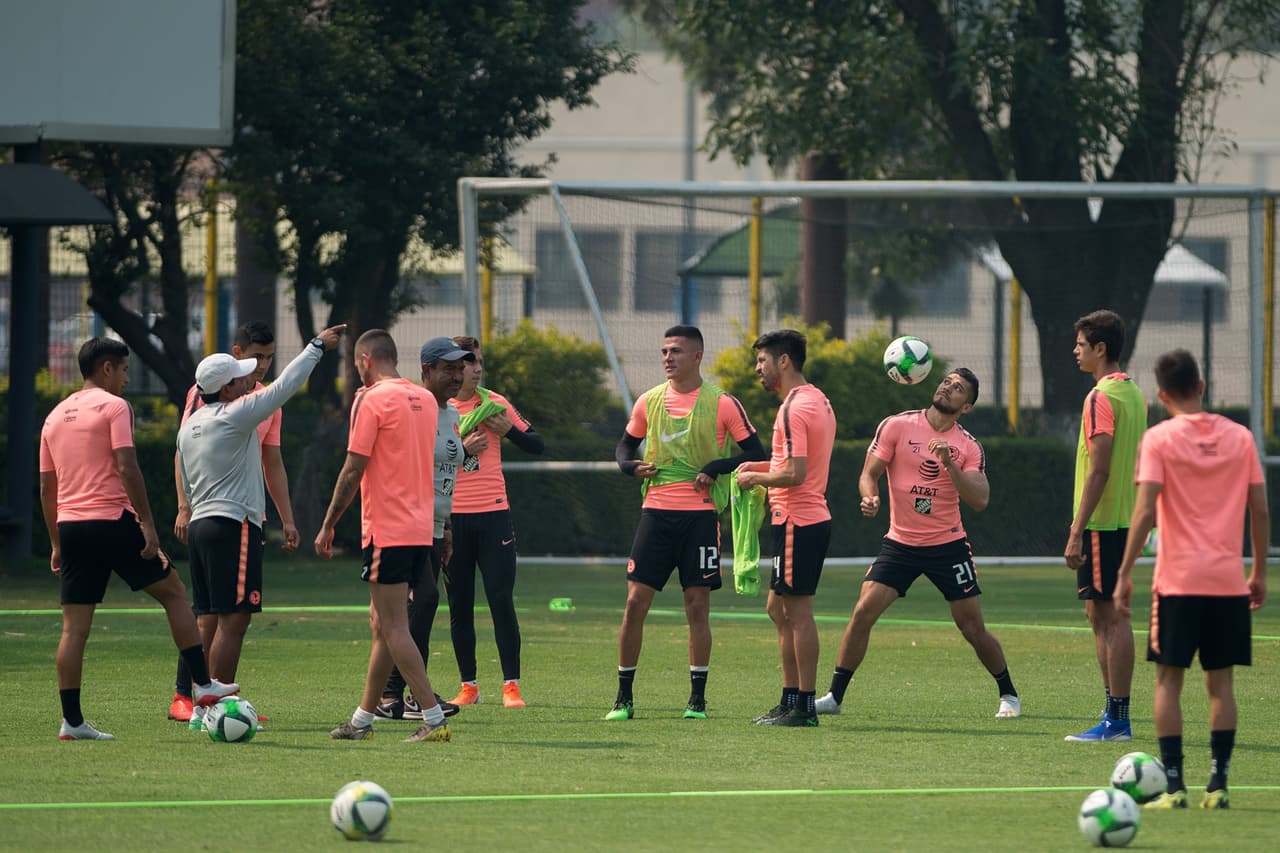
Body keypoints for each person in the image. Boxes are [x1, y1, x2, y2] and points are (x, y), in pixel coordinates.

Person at [39, 337, 239, 740]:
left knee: (73, 630)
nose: (127, 379)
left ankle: (72, 722)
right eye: (125, 370)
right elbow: (127, 467)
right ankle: (203, 685)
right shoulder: (114, 407)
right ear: (107, 369)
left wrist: (56, 542)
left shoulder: (54, 416)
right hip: (112, 520)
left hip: (72, 527)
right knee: (175, 593)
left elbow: (47, 487)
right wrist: (147, 523)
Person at [814, 368, 1021, 723]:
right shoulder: (897, 425)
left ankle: (1008, 693)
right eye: (946, 382)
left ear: (967, 407)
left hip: (948, 546)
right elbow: (869, 474)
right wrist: (870, 497)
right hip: (900, 544)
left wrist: (949, 464)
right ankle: (834, 696)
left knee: (971, 628)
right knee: (863, 612)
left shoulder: (968, 446)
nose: (948, 388)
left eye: (958, 388)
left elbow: (980, 500)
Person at [1114, 349, 1268, 810]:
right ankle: (1218, 785)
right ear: (1201, 387)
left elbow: (1145, 510)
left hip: (1178, 583)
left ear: (1162, 396)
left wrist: (1124, 573)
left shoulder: (1159, 439)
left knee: (1168, 682)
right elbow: (1260, 509)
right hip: (1227, 583)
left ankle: (1175, 787)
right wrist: (1258, 571)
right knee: (1221, 686)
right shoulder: (1240, 437)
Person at [177, 324, 345, 731]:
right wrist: (316, 346)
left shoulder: (188, 428)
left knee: (212, 615)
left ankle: (201, 704)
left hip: (200, 527)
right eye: (240, 377)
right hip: (232, 525)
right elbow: (286, 385)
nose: (249, 379)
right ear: (227, 388)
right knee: (235, 620)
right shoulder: (236, 415)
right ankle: (216, 706)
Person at [608, 325, 766, 721]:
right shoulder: (648, 401)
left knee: (697, 606)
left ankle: (697, 700)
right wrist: (629, 466)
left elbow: (756, 453)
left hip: (700, 519)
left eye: (676, 351)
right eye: (664, 351)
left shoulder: (722, 403)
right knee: (634, 603)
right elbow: (625, 445)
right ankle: (623, 698)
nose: (667, 358)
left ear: (697, 356)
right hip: (656, 514)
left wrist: (716, 466)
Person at [318, 329, 451, 744]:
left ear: (365, 361)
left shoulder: (372, 399)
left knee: (394, 626)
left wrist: (328, 523)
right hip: (420, 528)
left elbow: (353, 468)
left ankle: (433, 718)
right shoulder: (424, 399)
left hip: (387, 529)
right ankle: (362, 720)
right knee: (381, 624)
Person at [168, 320, 296, 723]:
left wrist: (286, 518)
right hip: (219, 514)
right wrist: (184, 505)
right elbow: (184, 450)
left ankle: (210, 699)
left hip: (247, 515)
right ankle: (189, 696)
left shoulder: (263, 402)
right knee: (214, 615)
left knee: (222, 612)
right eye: (257, 357)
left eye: (269, 358)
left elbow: (271, 461)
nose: (263, 365)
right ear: (237, 354)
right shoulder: (205, 394)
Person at [736, 329, 836, 727]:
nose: (757, 368)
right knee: (777, 608)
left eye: (762, 360)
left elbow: (795, 474)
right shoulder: (817, 399)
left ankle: (805, 706)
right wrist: (758, 466)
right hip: (799, 519)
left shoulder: (794, 408)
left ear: (784, 361)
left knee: (797, 612)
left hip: (799, 519)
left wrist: (754, 479)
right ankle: (790, 698)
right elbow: (796, 464)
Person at [444, 335, 544, 708]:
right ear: (453, 366)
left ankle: (511, 686)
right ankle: (468, 687)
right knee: (459, 605)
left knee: (501, 599)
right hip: (452, 520)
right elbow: (421, 457)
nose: (476, 368)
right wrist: (462, 449)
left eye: (479, 361)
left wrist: (509, 432)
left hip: (494, 516)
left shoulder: (495, 404)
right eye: (469, 361)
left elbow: (537, 444)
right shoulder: (438, 408)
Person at [375, 337, 472, 722]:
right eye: (449, 368)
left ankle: (398, 698)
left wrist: (446, 526)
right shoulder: (415, 408)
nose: (458, 375)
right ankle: (401, 695)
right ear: (426, 370)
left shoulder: (452, 414)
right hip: (406, 523)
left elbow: (447, 471)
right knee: (421, 602)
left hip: (433, 525)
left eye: (461, 368)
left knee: (417, 608)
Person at [1064, 309, 1147, 742]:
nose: (1075, 351)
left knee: (1111, 619)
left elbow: (1100, 469)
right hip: (1124, 519)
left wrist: (1077, 530)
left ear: (1100, 348)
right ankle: (1113, 711)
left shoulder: (1100, 397)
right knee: (1098, 614)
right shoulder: (1133, 393)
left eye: (1081, 344)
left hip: (1103, 522)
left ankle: (1117, 720)